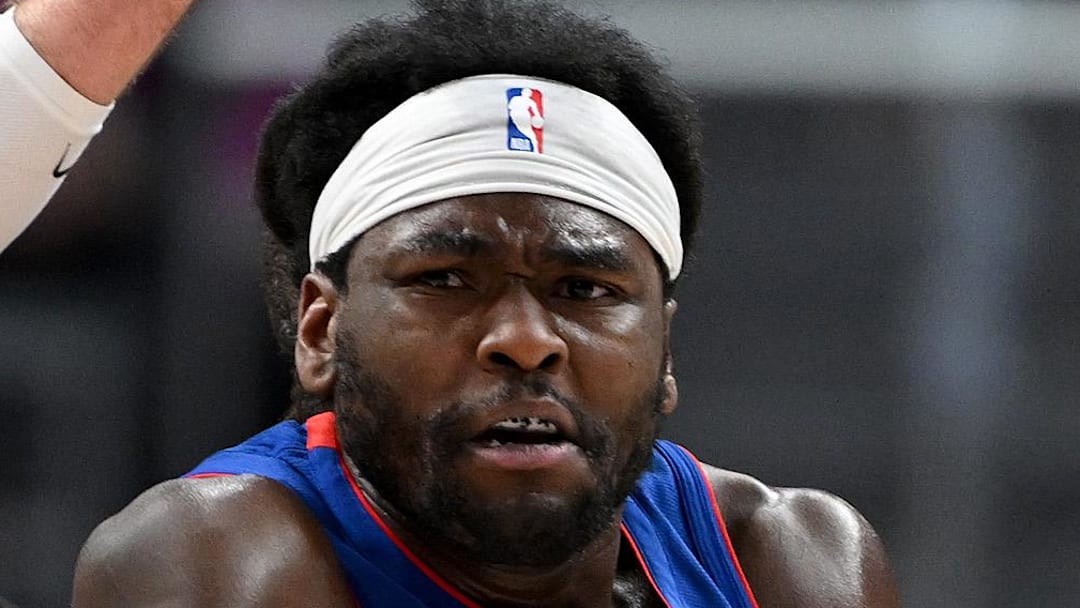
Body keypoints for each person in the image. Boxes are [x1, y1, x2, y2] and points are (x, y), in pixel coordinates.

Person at [5, 0, 901, 605]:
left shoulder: (797, 564)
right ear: (320, 330)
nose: (523, 340)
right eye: (445, 281)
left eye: (585, 290)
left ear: (664, 351)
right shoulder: (223, 564)